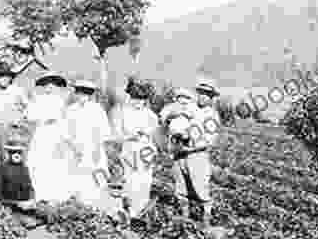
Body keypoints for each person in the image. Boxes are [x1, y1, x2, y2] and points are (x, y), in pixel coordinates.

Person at [169, 78, 221, 228]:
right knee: (181, 188)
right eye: (201, 93)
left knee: (200, 190)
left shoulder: (212, 116)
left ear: (212, 97)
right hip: (180, 154)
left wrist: (190, 149)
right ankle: (185, 218)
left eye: (207, 94)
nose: (202, 97)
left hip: (196, 155)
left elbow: (209, 142)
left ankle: (206, 222)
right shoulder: (190, 109)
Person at [64, 80, 121, 216]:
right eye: (80, 93)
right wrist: (73, 147)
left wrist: (96, 148)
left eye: (86, 94)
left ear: (90, 95)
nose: (83, 96)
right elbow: (65, 132)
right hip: (75, 148)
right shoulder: (70, 110)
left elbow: (103, 132)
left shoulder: (97, 110)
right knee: (76, 178)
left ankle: (96, 210)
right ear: (76, 94)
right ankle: (78, 208)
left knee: (96, 177)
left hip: (93, 148)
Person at [110, 77, 160, 224]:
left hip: (145, 150)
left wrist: (150, 142)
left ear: (145, 100)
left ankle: (139, 213)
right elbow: (116, 135)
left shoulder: (151, 115)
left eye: (141, 98)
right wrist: (129, 136)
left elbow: (155, 136)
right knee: (130, 180)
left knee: (144, 181)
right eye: (134, 98)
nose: (137, 101)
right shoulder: (122, 112)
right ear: (130, 97)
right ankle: (127, 212)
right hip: (130, 148)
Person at [24, 71, 75, 204]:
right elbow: (29, 115)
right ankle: (40, 194)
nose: (49, 87)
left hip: (57, 133)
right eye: (46, 84)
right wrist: (42, 118)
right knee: (38, 162)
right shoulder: (38, 99)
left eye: (52, 84)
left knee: (57, 162)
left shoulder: (61, 100)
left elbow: (65, 119)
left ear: (57, 86)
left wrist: (65, 137)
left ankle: (56, 196)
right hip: (42, 132)